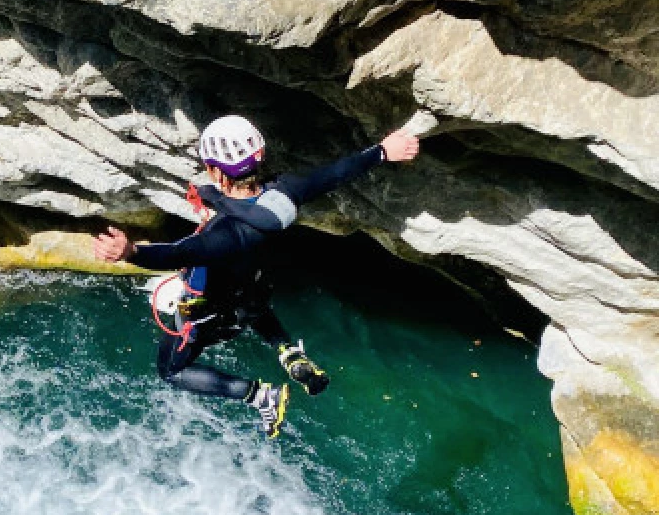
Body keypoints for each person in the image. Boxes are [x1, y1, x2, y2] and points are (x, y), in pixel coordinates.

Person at [92, 115, 420, 436]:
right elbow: (332, 175)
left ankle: (262, 395)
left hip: (212, 313)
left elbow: (180, 253)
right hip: (254, 289)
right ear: (258, 156)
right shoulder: (285, 191)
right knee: (252, 305)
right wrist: (382, 151)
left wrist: (131, 252)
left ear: (215, 172)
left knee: (172, 370)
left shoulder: (225, 236)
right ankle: (289, 353)